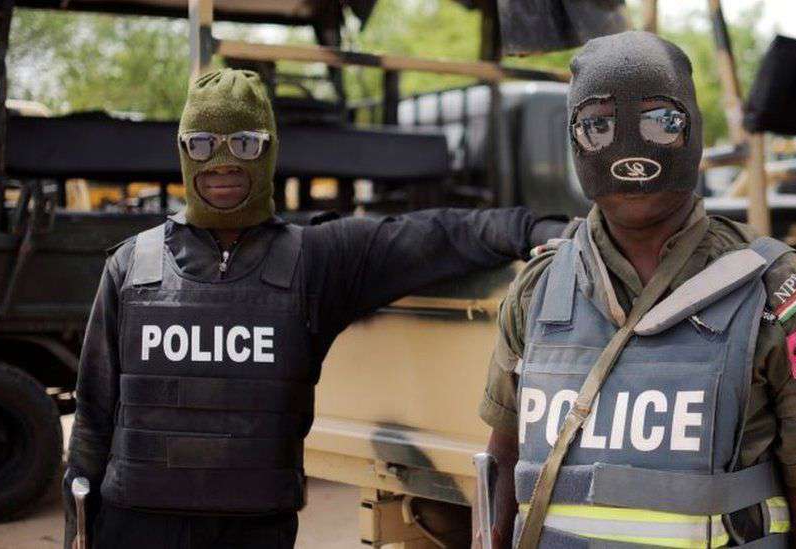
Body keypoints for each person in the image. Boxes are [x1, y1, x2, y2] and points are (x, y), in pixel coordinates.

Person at [63, 68, 564, 549]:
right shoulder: (133, 265)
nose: (222, 162)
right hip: (136, 529)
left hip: (253, 533)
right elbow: (91, 420)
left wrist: (536, 230)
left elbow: (439, 235)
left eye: (244, 144)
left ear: (269, 150)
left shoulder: (312, 260)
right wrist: (76, 532)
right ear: (183, 151)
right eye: (202, 144)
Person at [475, 31, 796, 549]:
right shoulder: (538, 292)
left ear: (692, 130)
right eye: (598, 125)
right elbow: (501, 466)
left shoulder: (782, 296)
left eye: (659, 121)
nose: (628, 146)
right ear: (573, 137)